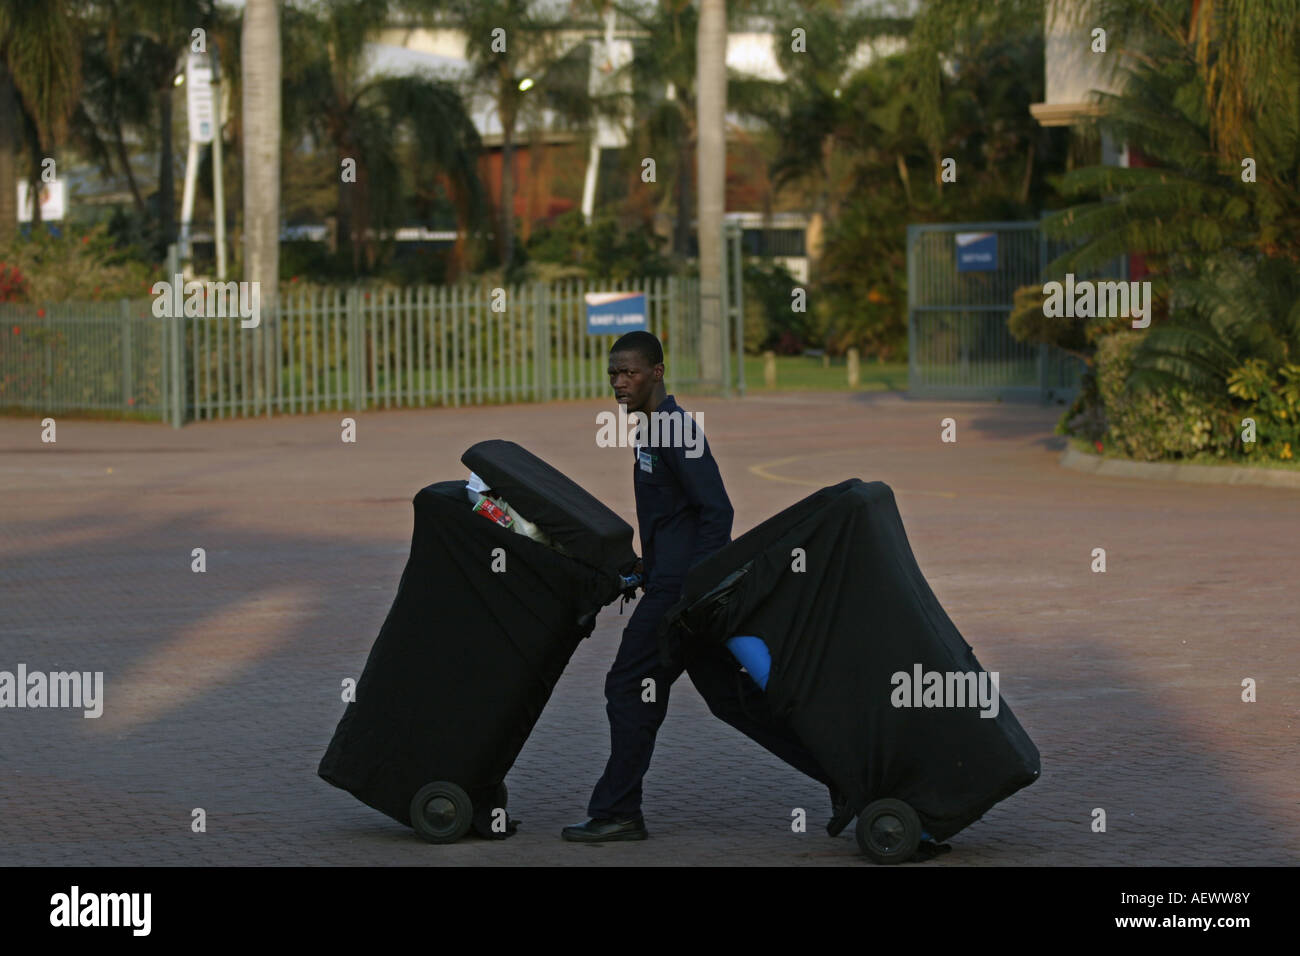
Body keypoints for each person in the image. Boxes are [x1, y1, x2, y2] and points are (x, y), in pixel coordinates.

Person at [563, 331, 839, 843]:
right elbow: (677, 518)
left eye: (630, 372)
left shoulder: (674, 430)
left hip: (680, 598)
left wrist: (695, 587)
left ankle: (618, 810)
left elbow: (717, 510)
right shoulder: (653, 430)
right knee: (737, 702)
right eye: (613, 374)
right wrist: (649, 565)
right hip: (676, 588)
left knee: (628, 686)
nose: (619, 383)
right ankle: (850, 779)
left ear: (658, 372)